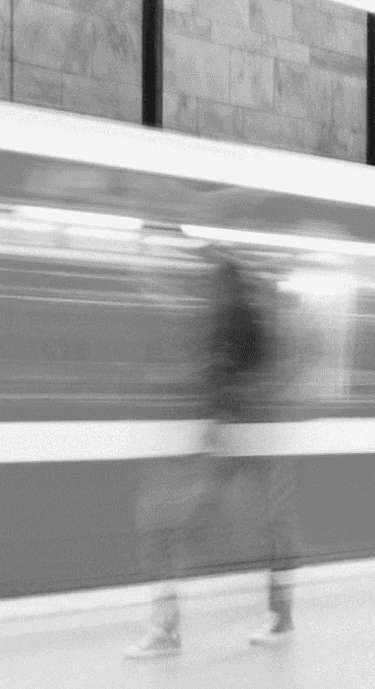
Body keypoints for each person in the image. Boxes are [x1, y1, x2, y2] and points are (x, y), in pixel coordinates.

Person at [122, 240, 300, 659]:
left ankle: (166, 631)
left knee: (160, 526)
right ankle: (281, 616)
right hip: (257, 436)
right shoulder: (259, 321)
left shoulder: (224, 322)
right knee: (274, 527)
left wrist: (212, 430)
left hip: (231, 436)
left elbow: (215, 378)